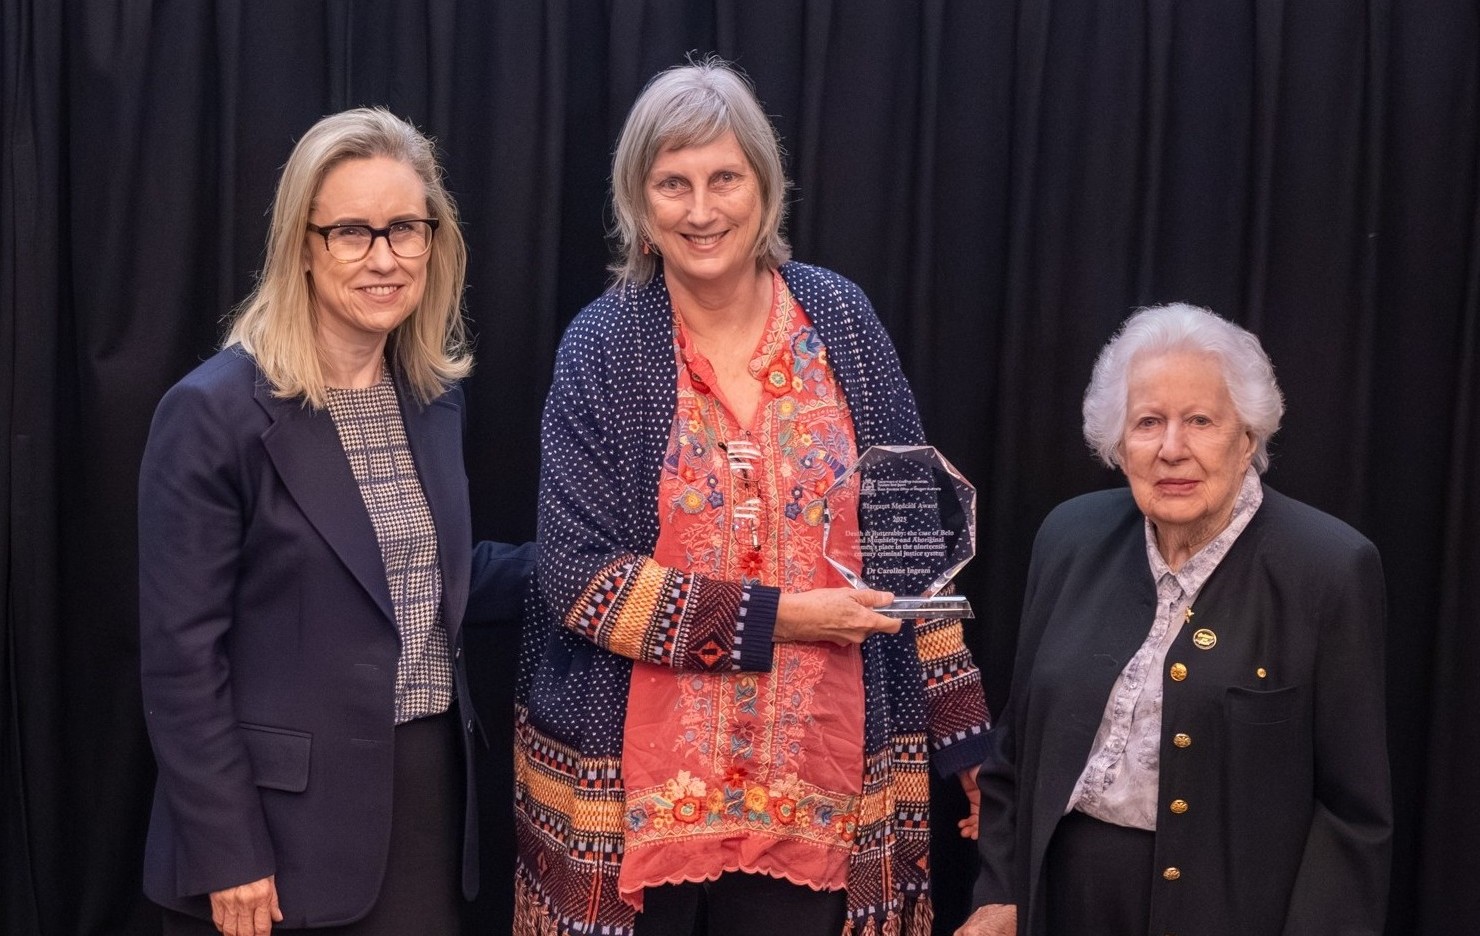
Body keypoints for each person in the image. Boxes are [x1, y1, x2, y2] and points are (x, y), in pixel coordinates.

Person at [512, 59, 990, 936]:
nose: (702, 210)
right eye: (673, 184)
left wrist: (966, 743)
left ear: (765, 190)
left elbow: (911, 535)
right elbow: (579, 582)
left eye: (725, 178)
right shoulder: (603, 346)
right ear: (639, 205)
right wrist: (785, 618)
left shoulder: (839, 319)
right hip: (630, 804)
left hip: (824, 784)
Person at [138, 107, 534, 936]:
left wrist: (589, 559)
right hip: (270, 836)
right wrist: (227, 850)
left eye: (404, 229)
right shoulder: (213, 414)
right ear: (304, 247)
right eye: (352, 232)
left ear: (435, 241)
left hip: (423, 805)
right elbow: (181, 662)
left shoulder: (430, 401)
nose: (384, 258)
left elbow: (423, 576)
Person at [957, 303, 1392, 936]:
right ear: (1117, 443)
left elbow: (1352, 819)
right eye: (1148, 423)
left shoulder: (1328, 569)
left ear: (1247, 438)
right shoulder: (1068, 539)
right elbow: (1016, 755)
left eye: (1200, 422)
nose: (1170, 449)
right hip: (1059, 904)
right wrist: (1000, 894)